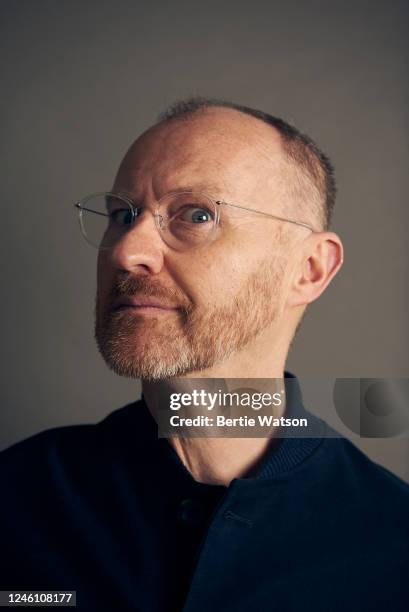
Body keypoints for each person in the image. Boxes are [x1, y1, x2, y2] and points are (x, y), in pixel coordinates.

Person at [0, 98, 408, 612]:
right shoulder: (16, 499)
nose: (128, 251)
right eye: (122, 214)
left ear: (308, 269)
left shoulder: (394, 547)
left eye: (196, 215)